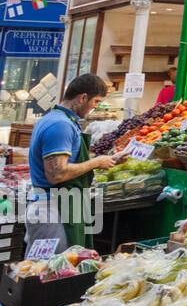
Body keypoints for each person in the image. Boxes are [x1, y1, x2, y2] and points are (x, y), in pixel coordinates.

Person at [26, 74, 122, 252]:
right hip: (53, 210)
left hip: (58, 206)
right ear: (83, 97)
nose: (95, 107)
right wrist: (95, 162)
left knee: (47, 272)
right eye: (96, 102)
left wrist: (109, 160)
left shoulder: (56, 119)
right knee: (49, 274)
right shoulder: (60, 125)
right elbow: (57, 174)